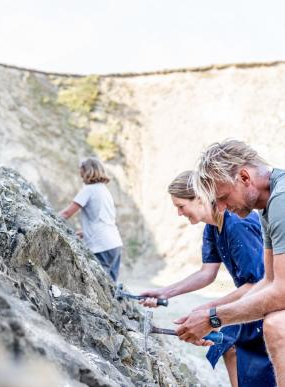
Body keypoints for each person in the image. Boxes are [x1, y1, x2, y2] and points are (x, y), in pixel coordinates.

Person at [139, 171, 274, 387]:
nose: (179, 213)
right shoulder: (212, 226)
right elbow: (207, 273)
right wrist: (165, 292)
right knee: (228, 345)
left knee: (237, 348)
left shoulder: (237, 223)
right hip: (248, 296)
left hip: (263, 298)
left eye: (181, 206)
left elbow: (258, 282)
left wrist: (208, 311)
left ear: (200, 199)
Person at [174, 139, 285, 386]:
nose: (221, 207)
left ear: (244, 177)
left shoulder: (281, 202)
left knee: (278, 326)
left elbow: (281, 292)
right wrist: (208, 315)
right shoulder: (268, 207)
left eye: (222, 197)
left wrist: (213, 318)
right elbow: (268, 281)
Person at [59, 157, 122, 282]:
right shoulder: (104, 190)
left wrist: (46, 219)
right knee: (111, 287)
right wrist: (85, 232)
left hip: (101, 245)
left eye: (81, 170)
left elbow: (66, 213)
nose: (80, 174)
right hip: (114, 244)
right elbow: (103, 218)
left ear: (86, 171)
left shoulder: (88, 190)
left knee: (99, 285)